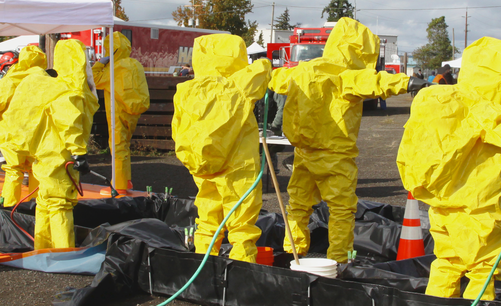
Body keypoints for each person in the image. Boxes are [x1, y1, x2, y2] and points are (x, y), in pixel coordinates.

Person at [397, 37, 501, 301]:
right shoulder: (485, 109)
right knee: (484, 267)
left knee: (447, 260)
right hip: (477, 204)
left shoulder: (437, 97)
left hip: (442, 201)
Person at [269, 17, 422, 263]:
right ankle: (338, 260)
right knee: (341, 209)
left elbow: (276, 79)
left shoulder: (303, 69)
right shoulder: (346, 76)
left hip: (303, 153)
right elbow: (377, 81)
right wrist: (408, 82)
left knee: (298, 204)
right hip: (334, 156)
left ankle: (293, 249)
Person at [172, 34, 271, 263]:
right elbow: (264, 68)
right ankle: (242, 272)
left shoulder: (184, 91)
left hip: (202, 165)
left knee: (207, 216)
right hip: (237, 166)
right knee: (242, 222)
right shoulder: (241, 85)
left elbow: (177, 128)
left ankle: (203, 266)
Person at [2, 39, 99, 249]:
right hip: (60, 157)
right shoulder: (67, 91)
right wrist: (79, 153)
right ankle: (63, 253)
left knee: (45, 203)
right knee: (60, 205)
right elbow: (70, 124)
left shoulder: (47, 87)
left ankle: (43, 249)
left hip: (43, 155)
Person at [0, 46, 46, 206]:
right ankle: (38, 206)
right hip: (37, 134)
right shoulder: (44, 78)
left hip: (14, 134)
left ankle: (9, 207)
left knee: (14, 170)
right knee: (36, 169)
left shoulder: (12, 79)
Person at [92, 31, 150, 193]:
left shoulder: (113, 68)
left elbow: (94, 79)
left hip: (117, 110)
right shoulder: (135, 65)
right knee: (124, 146)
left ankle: (119, 186)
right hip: (133, 111)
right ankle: (126, 180)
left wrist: (101, 63)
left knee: (118, 147)